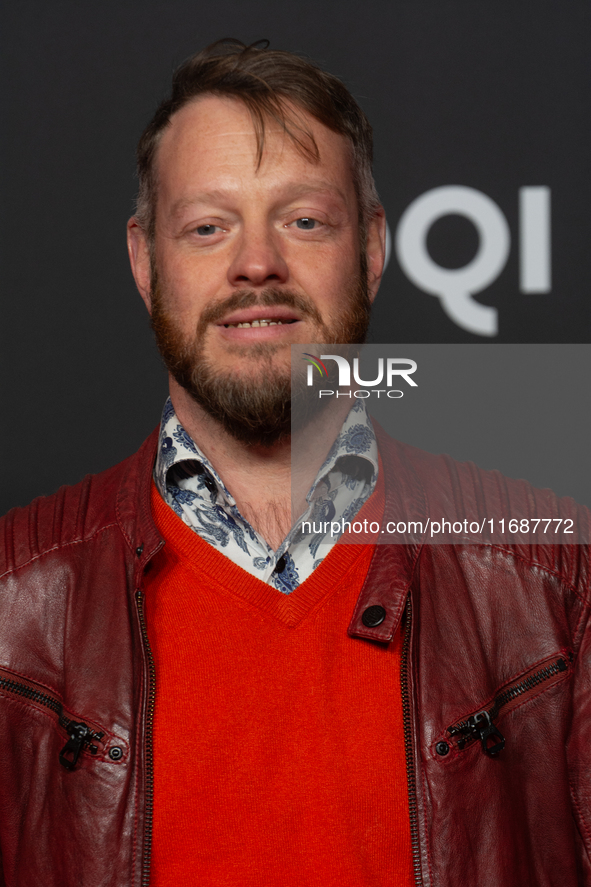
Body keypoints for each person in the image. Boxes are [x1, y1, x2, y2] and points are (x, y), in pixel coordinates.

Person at [0, 39, 589, 887]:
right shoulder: (17, 596)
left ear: (374, 248)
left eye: (304, 220)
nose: (256, 263)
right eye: (208, 227)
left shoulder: (556, 577)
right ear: (142, 261)